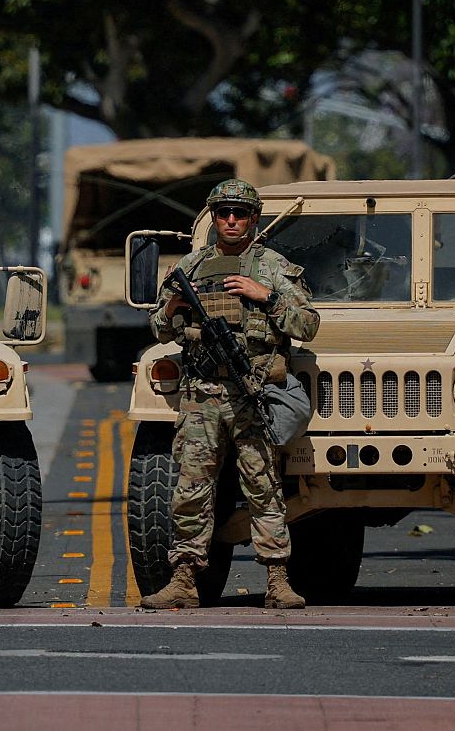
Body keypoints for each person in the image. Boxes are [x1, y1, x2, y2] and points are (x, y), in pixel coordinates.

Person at [139, 180, 320, 610]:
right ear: (214, 218)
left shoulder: (274, 268)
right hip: (202, 394)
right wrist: (173, 308)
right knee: (190, 487)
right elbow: (159, 330)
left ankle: (278, 579)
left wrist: (266, 297)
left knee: (264, 486)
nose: (232, 221)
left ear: (255, 219)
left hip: (252, 391)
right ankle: (183, 579)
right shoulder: (191, 267)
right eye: (224, 213)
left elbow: (308, 325)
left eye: (240, 213)